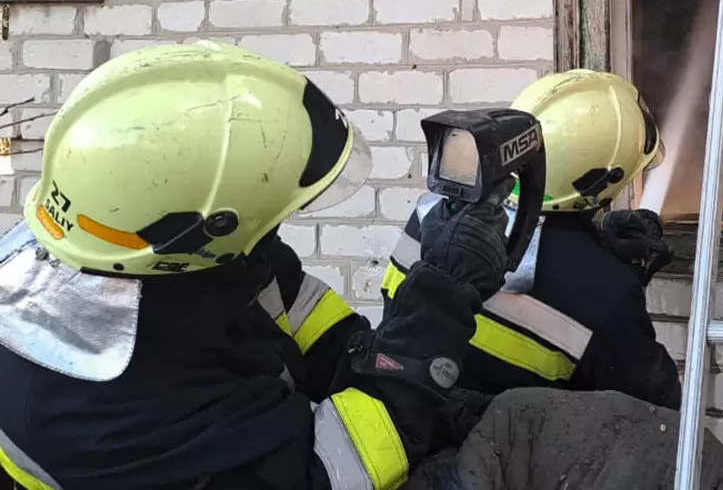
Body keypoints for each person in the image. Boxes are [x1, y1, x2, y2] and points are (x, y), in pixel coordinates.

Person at [0, 41, 512, 490]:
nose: (276, 230)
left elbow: (312, 323)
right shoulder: (98, 406)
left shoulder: (135, 243)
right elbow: (336, 472)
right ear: (207, 230)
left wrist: (399, 372)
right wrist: (440, 302)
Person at [384, 69, 682, 411]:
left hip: (409, 418)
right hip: (511, 459)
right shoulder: (606, 295)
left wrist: (597, 248)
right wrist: (614, 282)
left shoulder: (430, 217)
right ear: (604, 184)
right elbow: (658, 411)